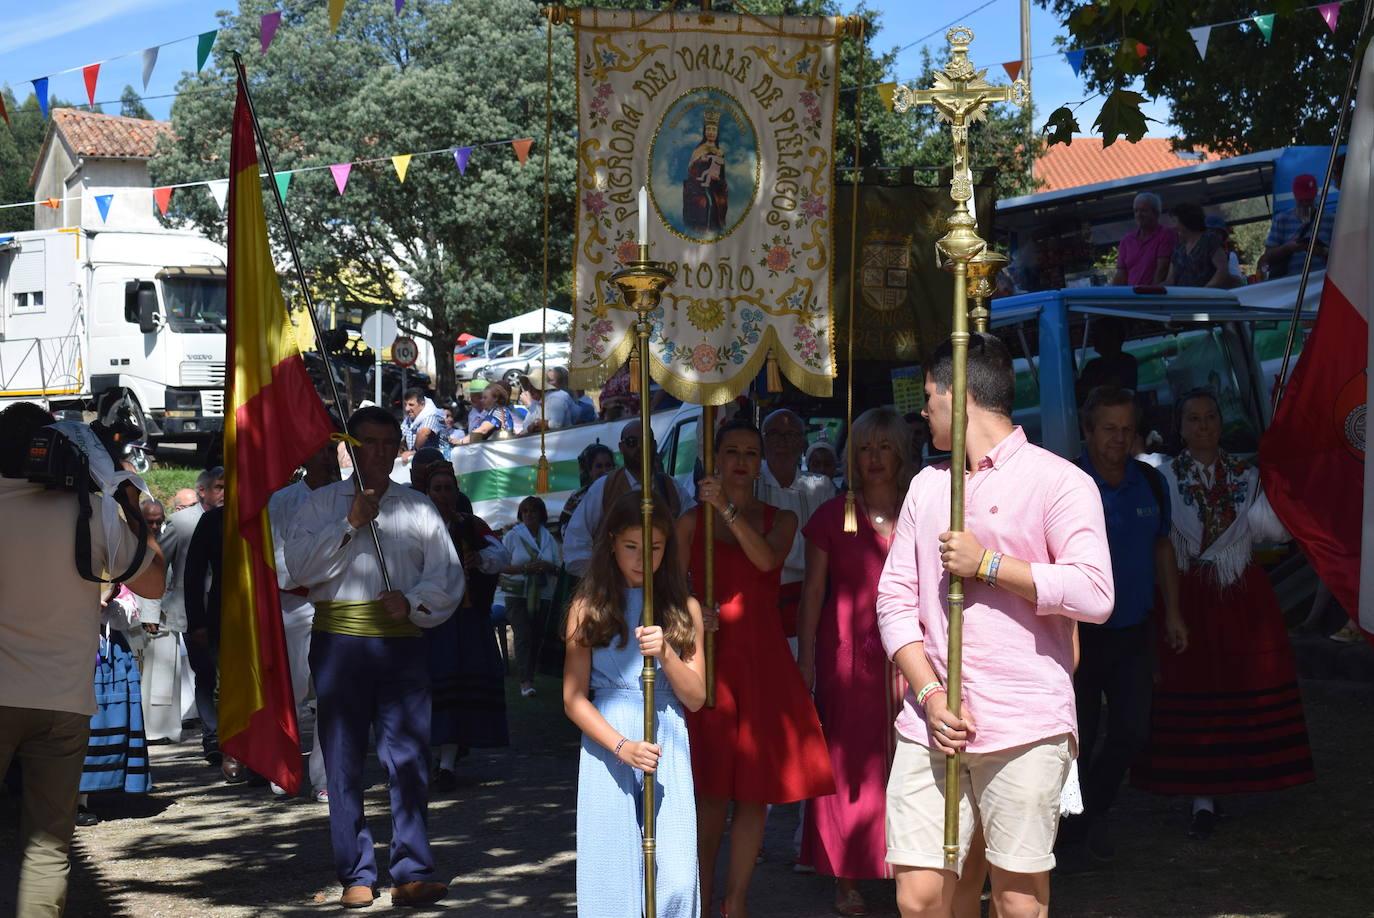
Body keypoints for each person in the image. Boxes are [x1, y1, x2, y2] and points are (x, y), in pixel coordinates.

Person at [875, 333, 1113, 918]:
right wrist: (929, 694)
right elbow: (893, 600)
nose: (924, 411)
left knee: (1016, 900)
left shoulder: (1060, 481)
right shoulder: (927, 486)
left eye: (930, 397)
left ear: (957, 398)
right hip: (930, 724)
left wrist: (989, 565)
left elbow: (1095, 593)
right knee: (919, 896)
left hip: (1025, 721)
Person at [284, 405, 466, 909]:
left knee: (408, 757)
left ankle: (412, 868)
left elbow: (448, 576)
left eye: (390, 443)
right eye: (371, 443)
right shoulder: (321, 504)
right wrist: (348, 523)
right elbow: (296, 568)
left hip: (402, 643)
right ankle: (355, 871)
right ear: (351, 447)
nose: (382, 452)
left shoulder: (418, 508)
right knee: (342, 760)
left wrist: (411, 601)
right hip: (340, 646)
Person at [0, 401, 165, 917]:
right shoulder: (90, 512)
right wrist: (123, 487)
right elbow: (155, 579)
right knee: (47, 848)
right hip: (64, 700)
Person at [1133, 389, 1314, 838]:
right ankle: (1202, 796)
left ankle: (1241, 775)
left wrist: (1278, 484)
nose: (1203, 426)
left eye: (1210, 417)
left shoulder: (1247, 474)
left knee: (1240, 680)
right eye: (1193, 419)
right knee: (1194, 683)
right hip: (1188, 590)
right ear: (1180, 426)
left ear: (1220, 421)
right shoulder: (1164, 476)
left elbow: (1273, 532)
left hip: (1239, 592)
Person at [676, 418, 835, 918]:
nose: (741, 461)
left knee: (753, 794)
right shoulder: (686, 524)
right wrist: (690, 614)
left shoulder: (781, 517)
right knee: (712, 793)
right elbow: (670, 591)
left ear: (759, 461)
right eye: (731, 452)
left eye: (750, 452)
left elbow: (767, 562)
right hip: (713, 663)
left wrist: (723, 507)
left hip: (763, 661)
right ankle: (701, 897)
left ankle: (736, 901)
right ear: (715, 459)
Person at [1058, 387, 1185, 870]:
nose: (1119, 439)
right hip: (1078, 634)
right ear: (1088, 431)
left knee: (1133, 731)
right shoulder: (1067, 483)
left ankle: (1088, 815)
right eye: (1109, 429)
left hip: (1134, 630)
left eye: (1127, 429)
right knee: (1080, 737)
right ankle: (1072, 831)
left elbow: (1162, 548)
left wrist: (1173, 613)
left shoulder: (1151, 483)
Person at [564, 491, 707, 918]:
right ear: (610, 543)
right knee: (614, 875)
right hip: (611, 745)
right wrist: (622, 745)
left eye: (655, 548)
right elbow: (573, 698)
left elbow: (697, 698)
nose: (643, 558)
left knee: (678, 876)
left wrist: (666, 654)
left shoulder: (685, 609)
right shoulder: (587, 608)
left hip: (668, 742)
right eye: (631, 547)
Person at [796, 407, 916, 916]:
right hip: (848, 655)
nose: (874, 457)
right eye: (865, 447)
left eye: (885, 446)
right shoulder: (832, 514)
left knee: (912, 758)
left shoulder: (922, 508)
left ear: (901, 453)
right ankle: (846, 876)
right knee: (849, 764)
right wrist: (806, 662)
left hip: (913, 653)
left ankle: (911, 864)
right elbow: (813, 594)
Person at [421, 463, 510, 791]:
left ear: (457, 492)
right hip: (427, 621)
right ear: (427, 494)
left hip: (464, 622)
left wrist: (480, 560)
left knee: (457, 691)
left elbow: (501, 553)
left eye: (448, 488)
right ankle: (425, 759)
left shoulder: (471, 525)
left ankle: (446, 764)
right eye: (437, 489)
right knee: (428, 691)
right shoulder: (415, 527)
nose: (444, 495)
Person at [264, 440, 344, 801]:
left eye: (333, 451)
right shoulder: (282, 501)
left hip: (334, 604)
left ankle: (325, 777)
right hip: (294, 606)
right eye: (323, 451)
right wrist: (315, 568)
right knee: (291, 691)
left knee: (331, 692)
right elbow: (280, 558)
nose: (330, 459)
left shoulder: (346, 499)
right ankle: (283, 767)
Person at [141, 466, 223, 758]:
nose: (223, 493)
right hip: (192, 612)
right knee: (205, 673)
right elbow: (159, 564)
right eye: (217, 487)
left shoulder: (235, 518)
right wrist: (150, 610)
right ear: (202, 491)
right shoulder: (182, 522)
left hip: (229, 609)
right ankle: (212, 737)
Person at [563, 420, 695, 576]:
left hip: (664, 588)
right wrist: (603, 579)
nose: (640, 447)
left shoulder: (672, 487)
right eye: (632, 442)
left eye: (645, 440)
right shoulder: (603, 487)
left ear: (653, 445)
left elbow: (694, 530)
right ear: (621, 447)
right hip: (617, 592)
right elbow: (576, 542)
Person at [757, 408, 836, 649]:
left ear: (802, 443)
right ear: (763, 441)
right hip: (760, 599)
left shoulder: (820, 487)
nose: (783, 441)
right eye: (775, 434)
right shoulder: (749, 483)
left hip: (808, 599)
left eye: (791, 434)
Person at [76, 585, 153, 827]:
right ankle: (70, 798)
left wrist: (108, 597)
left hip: (107, 651)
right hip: (65, 648)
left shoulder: (112, 568)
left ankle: (85, 796)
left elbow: (127, 616)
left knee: (99, 721)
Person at [501, 496, 561, 698]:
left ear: (541, 514)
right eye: (525, 511)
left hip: (542, 593)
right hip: (517, 593)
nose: (529, 514)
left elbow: (557, 566)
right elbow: (501, 565)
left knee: (536, 637)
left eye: (533, 511)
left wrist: (548, 567)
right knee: (523, 635)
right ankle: (525, 681)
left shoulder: (548, 538)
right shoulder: (513, 536)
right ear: (521, 514)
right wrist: (526, 568)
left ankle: (531, 673)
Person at [1259, 173, 1336, 279]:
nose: (1305, 203)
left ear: (1315, 196)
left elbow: (1344, 257)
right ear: (1295, 196)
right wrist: (1288, 248)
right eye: (1301, 200)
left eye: (1308, 200)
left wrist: (1321, 251)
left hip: (1322, 281)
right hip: (1292, 285)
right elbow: (1267, 257)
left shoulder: (1330, 219)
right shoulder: (1282, 220)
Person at [1164, 203, 1238, 289]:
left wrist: (1203, 292)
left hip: (1208, 300)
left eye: (1175, 221)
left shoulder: (1209, 240)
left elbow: (1222, 270)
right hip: (1184, 300)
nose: (1173, 226)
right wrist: (1151, 289)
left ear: (1186, 221)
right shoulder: (1177, 249)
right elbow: (1171, 280)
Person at [1112, 191, 1176, 286]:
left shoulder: (1166, 234)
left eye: (1144, 211)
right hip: (1133, 297)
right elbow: (1121, 275)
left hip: (1153, 297)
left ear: (1156, 213)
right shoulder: (1127, 241)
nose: (1139, 215)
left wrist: (1152, 295)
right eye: (1136, 211)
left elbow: (1162, 268)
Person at [683, 109, 728, 235]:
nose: (711, 133)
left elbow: (722, 173)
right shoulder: (699, 150)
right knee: (705, 202)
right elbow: (691, 169)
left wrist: (718, 179)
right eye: (709, 129)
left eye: (714, 130)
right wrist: (699, 176)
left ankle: (715, 229)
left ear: (717, 132)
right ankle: (702, 229)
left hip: (715, 185)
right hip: (698, 185)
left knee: (720, 201)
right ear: (704, 131)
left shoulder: (719, 152)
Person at [558, 443, 617, 535]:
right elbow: (564, 528)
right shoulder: (578, 497)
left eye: (608, 465)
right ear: (589, 471)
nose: (605, 470)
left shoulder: (623, 490)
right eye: (599, 466)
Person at [1076, 317, 1139, 402]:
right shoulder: (1092, 365)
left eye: (1099, 335)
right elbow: (1079, 389)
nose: (1094, 339)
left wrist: (1093, 389)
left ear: (1114, 338)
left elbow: (1110, 389)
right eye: (1094, 335)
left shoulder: (1127, 362)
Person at [400, 386, 444, 459]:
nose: (407, 409)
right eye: (405, 404)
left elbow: (424, 432)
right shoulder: (409, 418)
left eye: (411, 405)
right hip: (421, 460)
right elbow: (400, 434)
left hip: (436, 461)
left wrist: (414, 452)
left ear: (422, 404)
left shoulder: (432, 415)